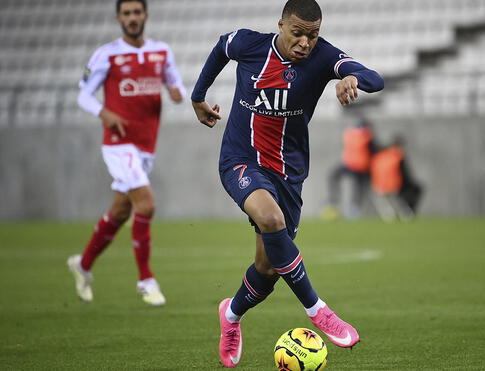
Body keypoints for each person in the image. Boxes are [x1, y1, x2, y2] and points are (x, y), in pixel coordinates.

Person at [191, 0, 384, 367]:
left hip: (289, 174)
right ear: (280, 25)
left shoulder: (324, 57)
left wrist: (352, 77)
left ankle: (230, 315)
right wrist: (198, 98)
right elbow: (220, 47)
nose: (305, 43)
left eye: (313, 35)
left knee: (266, 270)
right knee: (271, 220)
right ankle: (318, 310)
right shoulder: (249, 45)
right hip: (240, 161)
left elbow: (377, 79)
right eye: (297, 33)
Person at [66, 0, 186, 307]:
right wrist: (104, 113)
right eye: (127, 13)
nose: (132, 18)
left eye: (137, 12)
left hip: (146, 146)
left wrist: (177, 93)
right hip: (119, 145)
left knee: (121, 211)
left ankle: (83, 265)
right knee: (146, 204)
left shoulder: (161, 51)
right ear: (119, 18)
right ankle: (146, 279)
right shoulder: (107, 54)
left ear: (145, 15)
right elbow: (83, 94)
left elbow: (177, 86)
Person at [324, 118, 376, 219]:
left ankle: (334, 202)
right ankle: (354, 209)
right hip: (361, 167)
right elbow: (374, 150)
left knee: (333, 176)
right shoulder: (368, 136)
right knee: (359, 189)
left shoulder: (349, 133)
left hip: (348, 164)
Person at [370, 136, 423, 221]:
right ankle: (406, 215)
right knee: (398, 202)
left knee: (385, 202)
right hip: (393, 184)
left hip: (379, 185)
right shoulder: (397, 157)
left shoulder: (380, 156)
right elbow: (404, 173)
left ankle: (390, 216)